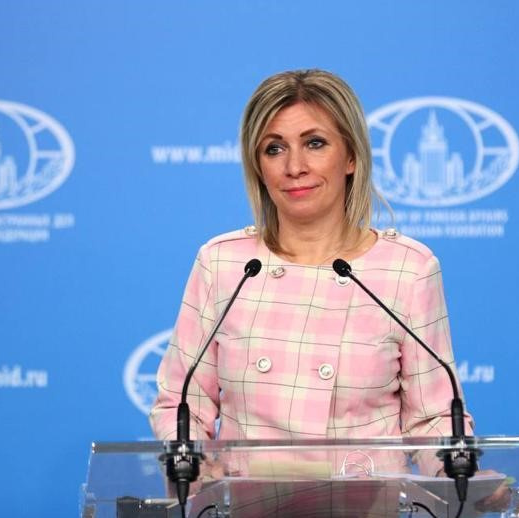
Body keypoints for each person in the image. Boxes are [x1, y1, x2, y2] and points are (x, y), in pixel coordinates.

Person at [150, 69, 473, 446]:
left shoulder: (408, 269)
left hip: (366, 487)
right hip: (248, 487)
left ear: (351, 157)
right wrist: (198, 466)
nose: (294, 167)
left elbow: (433, 420)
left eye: (315, 143)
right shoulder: (223, 264)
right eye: (274, 148)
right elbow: (181, 407)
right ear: (258, 167)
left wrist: (457, 469)